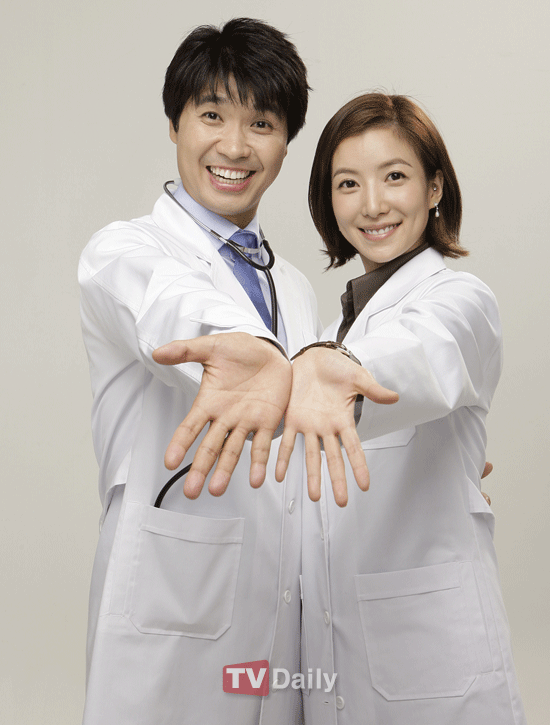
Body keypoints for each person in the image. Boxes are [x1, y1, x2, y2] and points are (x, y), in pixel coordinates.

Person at [78, 18, 327, 724]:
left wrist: (420, 462)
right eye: (212, 115)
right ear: (174, 124)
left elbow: (312, 429)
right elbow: (170, 304)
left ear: (285, 144)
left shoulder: (295, 288)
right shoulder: (123, 252)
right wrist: (243, 345)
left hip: (278, 610)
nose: (235, 146)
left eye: (262, 123)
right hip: (170, 593)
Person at [272, 93, 526, 723]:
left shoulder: (460, 301)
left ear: (434, 186)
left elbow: (421, 356)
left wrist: (340, 377)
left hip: (433, 658)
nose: (372, 204)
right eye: (348, 183)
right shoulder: (332, 330)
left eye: (394, 177)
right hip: (334, 659)